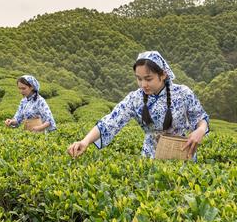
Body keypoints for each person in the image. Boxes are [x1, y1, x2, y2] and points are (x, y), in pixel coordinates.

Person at [67, 51, 209, 160]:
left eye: (148, 79)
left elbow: (200, 117)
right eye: (139, 79)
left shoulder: (183, 93)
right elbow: (110, 122)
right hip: (150, 159)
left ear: (163, 75)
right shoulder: (135, 99)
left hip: (182, 155)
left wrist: (200, 130)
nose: (143, 85)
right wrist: (85, 142)